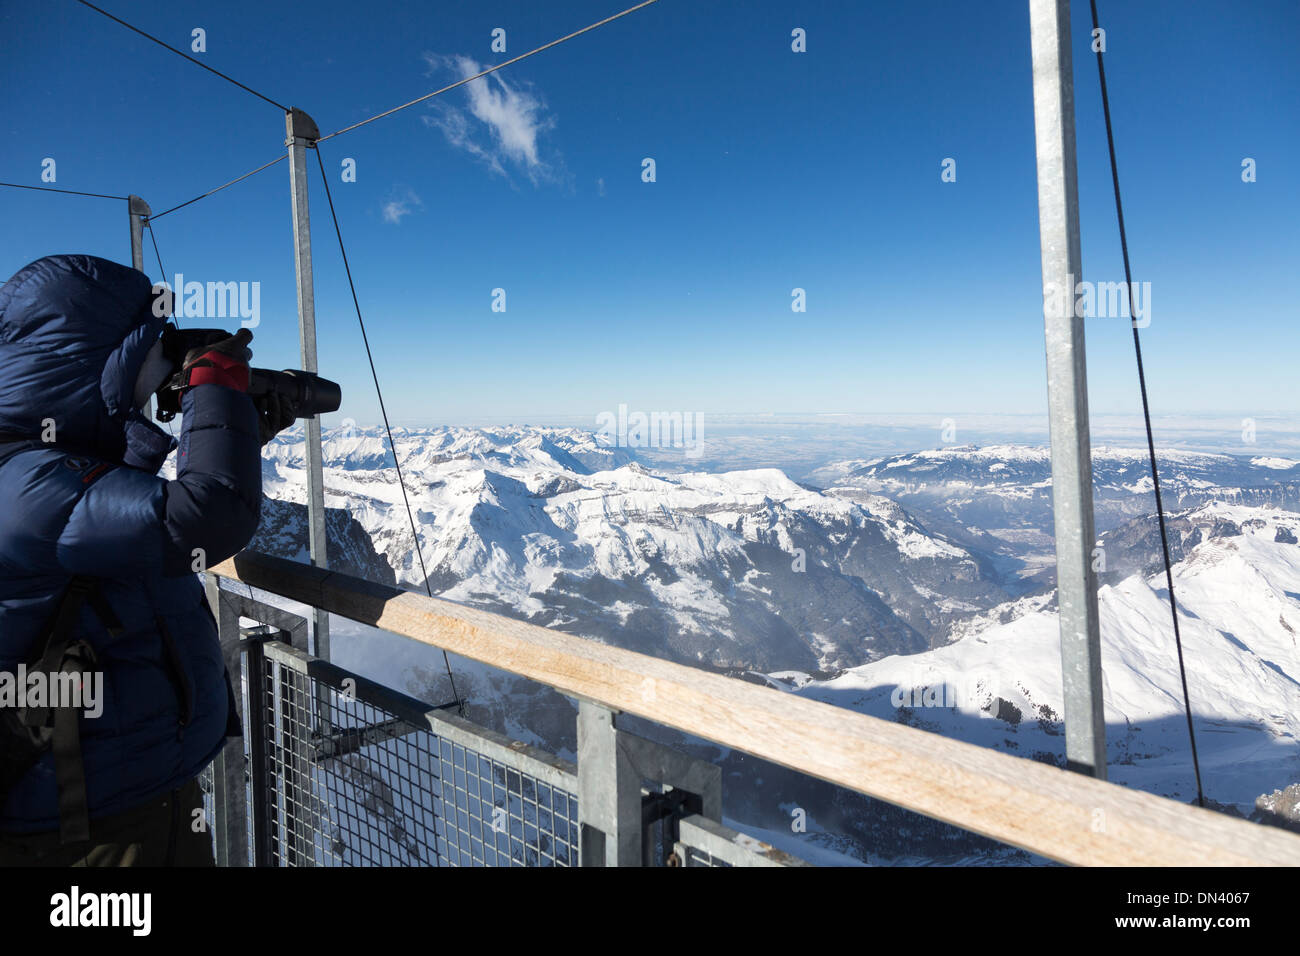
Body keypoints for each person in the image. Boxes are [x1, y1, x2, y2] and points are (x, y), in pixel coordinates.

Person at [0, 254, 287, 866]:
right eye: (150, 353)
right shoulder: (27, 485)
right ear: (99, 365)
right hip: (86, 826)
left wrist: (236, 433)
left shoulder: (34, 469)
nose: (162, 372)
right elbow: (205, 519)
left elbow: (112, 533)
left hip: (116, 791)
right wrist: (214, 387)